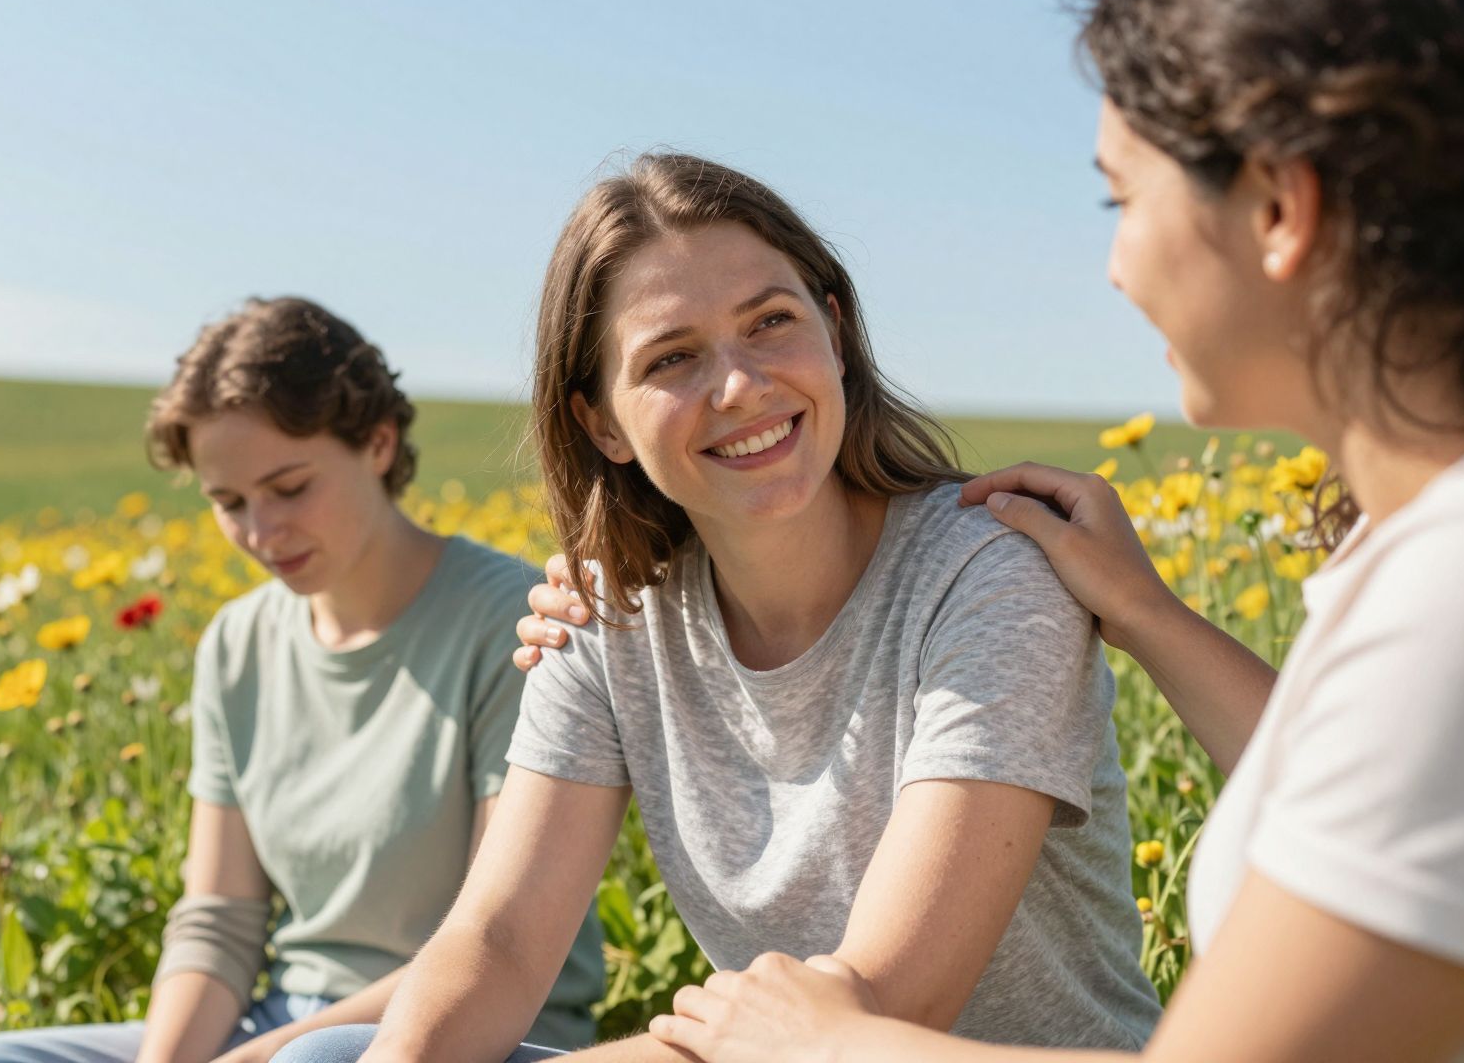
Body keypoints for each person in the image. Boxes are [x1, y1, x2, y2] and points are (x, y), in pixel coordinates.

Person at [516, 0, 1464, 1061]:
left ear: (1277, 206)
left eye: (1121, 198)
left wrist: (818, 1040)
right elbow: (1361, 791)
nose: (1113, 266)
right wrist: (1152, 615)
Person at [270, 154, 1162, 1063]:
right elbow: (497, 945)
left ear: (836, 333)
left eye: (771, 322)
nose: (739, 386)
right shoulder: (604, 617)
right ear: (602, 425)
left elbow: (892, 1003)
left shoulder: (987, 571)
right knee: (332, 1060)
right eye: (672, 358)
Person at [0, 296, 605, 1063]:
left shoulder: (515, 624)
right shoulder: (236, 643)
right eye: (228, 502)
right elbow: (219, 920)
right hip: (276, 1026)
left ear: (378, 443)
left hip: (467, 1033)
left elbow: (494, 948)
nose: (260, 532)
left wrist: (258, 1059)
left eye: (289, 488)